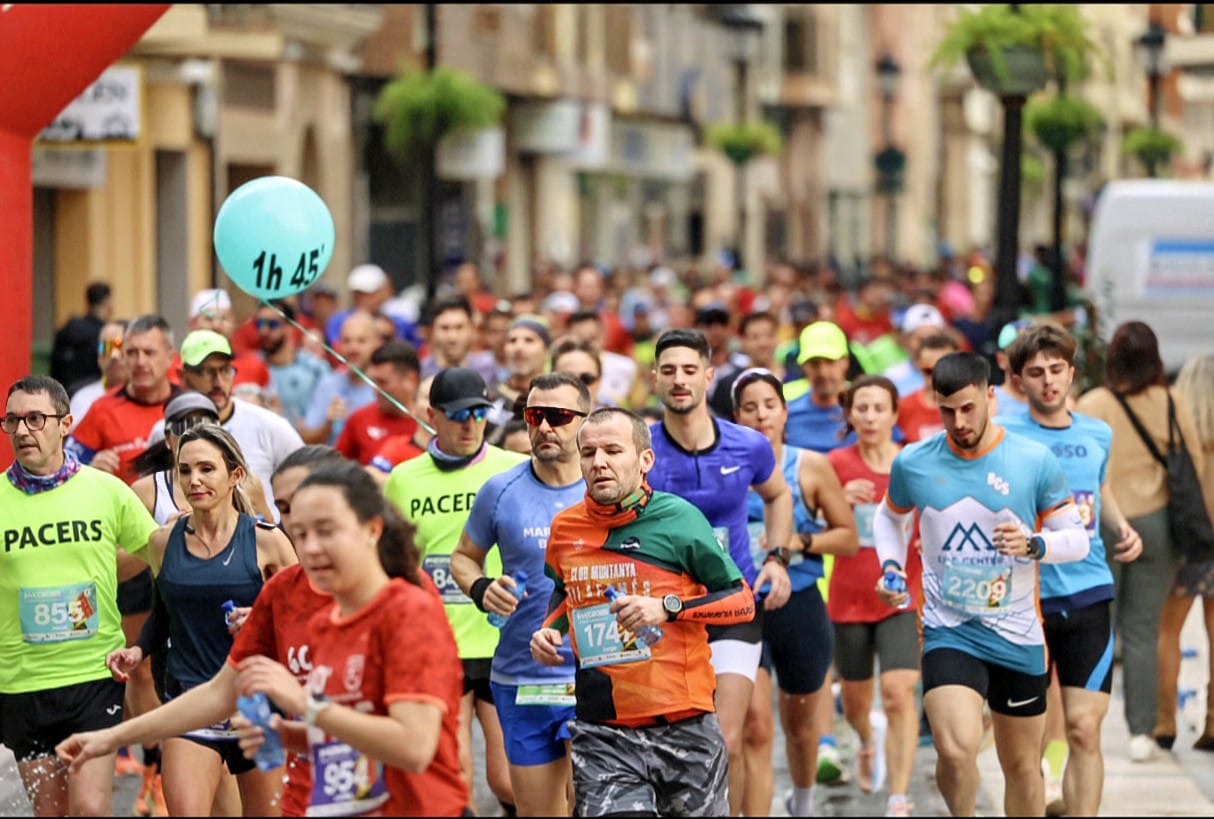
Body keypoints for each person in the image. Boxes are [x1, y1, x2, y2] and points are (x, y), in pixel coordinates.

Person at [58, 459, 469, 817]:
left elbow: (414, 747)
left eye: (326, 530)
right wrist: (110, 738)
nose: (310, 547)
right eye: (298, 530)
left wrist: (305, 707)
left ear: (371, 529)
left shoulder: (408, 608)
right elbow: (218, 693)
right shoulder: (291, 597)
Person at [873, 351, 1090, 816]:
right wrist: (891, 567)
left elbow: (1077, 540)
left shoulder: (1032, 460)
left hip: (1018, 634)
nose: (959, 422)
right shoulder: (914, 462)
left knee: (1022, 767)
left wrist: (1033, 545)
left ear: (990, 396)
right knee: (956, 750)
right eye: (946, 411)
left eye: (968, 408)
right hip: (950, 629)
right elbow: (888, 517)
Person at [530, 407, 758, 817]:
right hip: (602, 732)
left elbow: (741, 602)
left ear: (644, 460)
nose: (599, 462)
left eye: (613, 450)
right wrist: (549, 629)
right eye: (589, 453)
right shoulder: (565, 528)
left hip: (684, 725)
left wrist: (668, 608)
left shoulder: (679, 519)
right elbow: (565, 591)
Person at [106, 424, 297, 815]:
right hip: (190, 703)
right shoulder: (163, 542)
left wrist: (262, 618)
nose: (194, 480)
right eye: (185, 470)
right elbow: (163, 613)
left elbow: (306, 613)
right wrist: (138, 650)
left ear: (235, 475)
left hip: (255, 707)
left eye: (207, 469)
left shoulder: (266, 540)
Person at [644, 328, 793, 816]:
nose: (679, 380)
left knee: (726, 740)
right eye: (669, 371)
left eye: (689, 370)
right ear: (654, 378)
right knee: (667, 745)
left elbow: (778, 495)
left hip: (732, 605)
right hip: (662, 613)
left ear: (708, 376)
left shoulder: (748, 445)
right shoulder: (640, 449)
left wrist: (777, 559)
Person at [999, 321, 1144, 815]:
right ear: (1018, 380)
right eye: (1036, 372)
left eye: (1056, 370)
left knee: (1084, 728)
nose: (1048, 381)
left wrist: (1122, 527)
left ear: (1071, 373)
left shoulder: (1097, 432)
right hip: (1025, 602)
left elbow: (1097, 489)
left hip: (1088, 592)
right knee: (1026, 742)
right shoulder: (1004, 435)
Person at [0, 374, 159, 816]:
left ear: (66, 423)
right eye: (12, 421)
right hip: (23, 681)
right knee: (52, 813)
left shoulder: (105, 490)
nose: (23, 430)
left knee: (90, 808)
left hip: (93, 673)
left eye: (36, 418)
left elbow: (154, 549)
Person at [384, 367, 528, 813]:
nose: (470, 424)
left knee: (508, 780)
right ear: (432, 416)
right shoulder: (404, 478)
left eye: (479, 414)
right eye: (459, 415)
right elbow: (394, 564)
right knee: (456, 774)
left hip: (502, 640)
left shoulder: (511, 469)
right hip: (438, 644)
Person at [450, 372, 591, 815]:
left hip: (595, 677)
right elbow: (463, 557)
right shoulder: (501, 490)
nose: (544, 427)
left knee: (594, 806)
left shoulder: (606, 488)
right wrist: (481, 588)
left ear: (585, 421)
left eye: (558, 416)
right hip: (522, 677)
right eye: (534, 416)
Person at [730, 368, 860, 818]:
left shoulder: (809, 466)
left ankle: (802, 804)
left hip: (799, 604)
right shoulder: (724, 469)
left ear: (785, 412)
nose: (762, 416)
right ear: (736, 417)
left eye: (770, 405)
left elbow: (847, 537)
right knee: (754, 727)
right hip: (739, 610)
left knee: (802, 727)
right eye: (750, 408)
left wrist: (796, 542)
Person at [1075, 320, 1205, 760]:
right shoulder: (1170, 402)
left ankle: (1086, 720)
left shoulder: (1093, 404)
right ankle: (1142, 732)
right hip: (1156, 525)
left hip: (1103, 524)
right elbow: (1193, 462)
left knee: (1098, 627)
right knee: (1144, 629)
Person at [827, 376, 924, 818]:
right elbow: (811, 524)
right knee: (854, 703)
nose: (869, 417)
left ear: (894, 414)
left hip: (902, 596)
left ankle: (899, 795)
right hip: (849, 597)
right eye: (861, 408)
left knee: (899, 692)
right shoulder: (834, 463)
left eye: (878, 408)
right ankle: (867, 738)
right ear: (849, 414)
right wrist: (837, 500)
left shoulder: (913, 462)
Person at [154, 330, 305, 517]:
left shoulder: (270, 426)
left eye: (225, 370)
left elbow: (307, 483)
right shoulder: (168, 431)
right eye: (207, 372)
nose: (218, 382)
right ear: (182, 376)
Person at [1163, 352, 1214, 751]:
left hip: (1188, 542)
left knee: (1167, 632)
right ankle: (1212, 722)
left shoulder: (1177, 430)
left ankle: (1163, 722)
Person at [67, 313, 181, 483]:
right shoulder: (102, 408)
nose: (140, 362)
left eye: (149, 352)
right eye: (131, 353)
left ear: (170, 358)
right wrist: (90, 469)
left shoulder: (188, 406)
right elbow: (66, 467)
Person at [335, 340, 421, 465]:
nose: (376, 390)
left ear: (410, 380)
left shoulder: (429, 424)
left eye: (383, 382)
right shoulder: (359, 419)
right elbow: (336, 467)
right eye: (374, 382)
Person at [302, 310, 380, 446]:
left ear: (376, 344)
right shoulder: (328, 384)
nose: (353, 348)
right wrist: (328, 423)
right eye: (346, 341)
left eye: (361, 341)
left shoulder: (384, 389)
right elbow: (306, 439)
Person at [254, 300, 330, 428]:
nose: (264, 331)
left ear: (289, 328)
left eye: (272, 324)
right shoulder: (249, 365)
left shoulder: (316, 368)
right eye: (260, 323)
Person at [785, 321, 852, 453]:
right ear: (803, 366)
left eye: (830, 362)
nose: (823, 372)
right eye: (814, 364)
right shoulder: (786, 411)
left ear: (845, 362)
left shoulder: (867, 408)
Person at [185, 288, 272, 389]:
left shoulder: (255, 366)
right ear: (192, 324)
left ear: (234, 323)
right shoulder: (177, 367)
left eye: (224, 318)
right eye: (209, 319)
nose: (217, 326)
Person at [487, 315, 551, 432]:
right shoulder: (488, 398)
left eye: (529, 340)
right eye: (512, 340)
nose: (519, 347)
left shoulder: (557, 400)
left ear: (546, 350)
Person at [420, 293, 499, 385]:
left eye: (459, 327)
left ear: (471, 328)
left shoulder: (487, 368)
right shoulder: (421, 372)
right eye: (444, 328)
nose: (452, 337)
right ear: (432, 330)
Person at [896, 333, 960, 444]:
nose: (937, 376)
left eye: (944, 369)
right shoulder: (903, 407)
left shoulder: (974, 404)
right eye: (929, 371)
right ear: (918, 366)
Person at [51, 281, 113, 395]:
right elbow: (114, 357)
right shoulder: (106, 334)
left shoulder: (69, 327)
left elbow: (55, 361)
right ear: (108, 302)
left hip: (64, 392)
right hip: (93, 391)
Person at [69, 319, 129, 423]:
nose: (114, 356)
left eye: (120, 347)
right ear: (98, 357)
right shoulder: (82, 400)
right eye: (106, 347)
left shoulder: (148, 398)